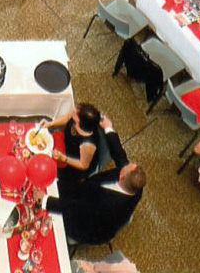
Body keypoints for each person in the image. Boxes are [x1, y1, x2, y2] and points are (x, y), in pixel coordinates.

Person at [48, 113, 144, 245]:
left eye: (125, 167)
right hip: (86, 195)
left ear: (122, 177)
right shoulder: (134, 183)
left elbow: (74, 209)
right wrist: (108, 127)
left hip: (86, 227)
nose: (125, 165)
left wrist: (46, 201)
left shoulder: (108, 205)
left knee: (48, 211)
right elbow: (120, 156)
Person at [47, 103, 105, 195]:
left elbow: (83, 165)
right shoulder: (77, 114)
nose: (73, 111)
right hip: (66, 146)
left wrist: (63, 158)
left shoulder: (88, 145)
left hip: (73, 166)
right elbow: (66, 118)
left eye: (76, 113)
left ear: (80, 124)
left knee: (50, 171)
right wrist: (50, 123)